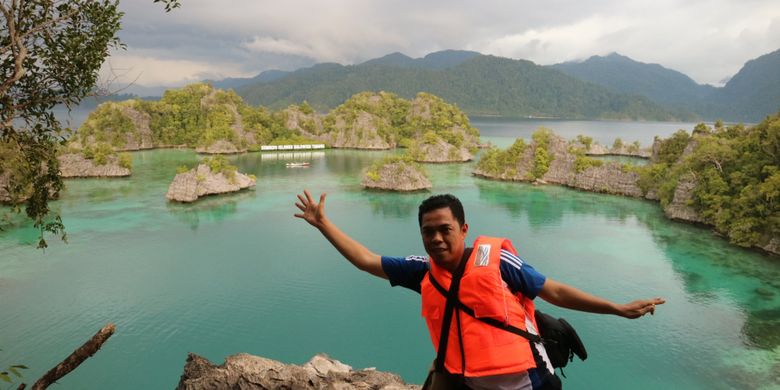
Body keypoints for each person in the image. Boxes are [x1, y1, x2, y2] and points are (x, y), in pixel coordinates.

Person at [294, 190, 665, 390]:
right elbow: (366, 260)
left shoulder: (499, 262)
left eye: (445, 229)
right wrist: (323, 225)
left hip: (524, 383)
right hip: (465, 382)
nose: (436, 238)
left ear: (464, 228)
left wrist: (617, 308)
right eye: (428, 231)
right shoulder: (421, 271)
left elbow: (555, 291)